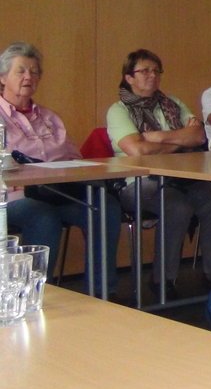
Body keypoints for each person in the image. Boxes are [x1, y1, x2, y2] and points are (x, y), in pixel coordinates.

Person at [2, 42, 122, 294]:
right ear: (3, 77)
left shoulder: (49, 117)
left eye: (35, 72)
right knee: (43, 216)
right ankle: (33, 295)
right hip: (13, 197)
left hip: (56, 192)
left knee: (105, 205)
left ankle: (101, 293)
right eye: (21, 71)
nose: (29, 77)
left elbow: (74, 159)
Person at [108, 48, 211, 297]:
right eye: (145, 71)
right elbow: (138, 150)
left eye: (156, 71)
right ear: (129, 77)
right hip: (137, 182)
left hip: (182, 178)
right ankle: (162, 280)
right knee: (176, 205)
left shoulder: (172, 103)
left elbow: (198, 135)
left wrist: (157, 137)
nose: (153, 76)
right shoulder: (118, 110)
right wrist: (178, 141)